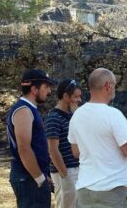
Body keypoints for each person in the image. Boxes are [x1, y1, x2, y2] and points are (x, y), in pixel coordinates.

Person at [68, 68, 127, 208]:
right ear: (108, 86)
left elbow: (76, 152)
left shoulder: (77, 115)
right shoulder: (113, 114)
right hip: (112, 191)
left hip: (85, 191)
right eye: (114, 84)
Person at [6, 69, 57, 208]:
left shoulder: (29, 109)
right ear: (34, 89)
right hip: (28, 179)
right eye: (46, 87)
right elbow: (24, 148)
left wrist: (42, 176)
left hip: (31, 178)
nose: (49, 91)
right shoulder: (24, 110)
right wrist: (39, 178)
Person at [45, 79, 82, 208]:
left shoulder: (74, 115)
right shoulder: (53, 118)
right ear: (66, 96)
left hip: (79, 170)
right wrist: (65, 176)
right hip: (65, 172)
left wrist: (77, 116)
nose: (79, 100)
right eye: (76, 96)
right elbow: (52, 150)